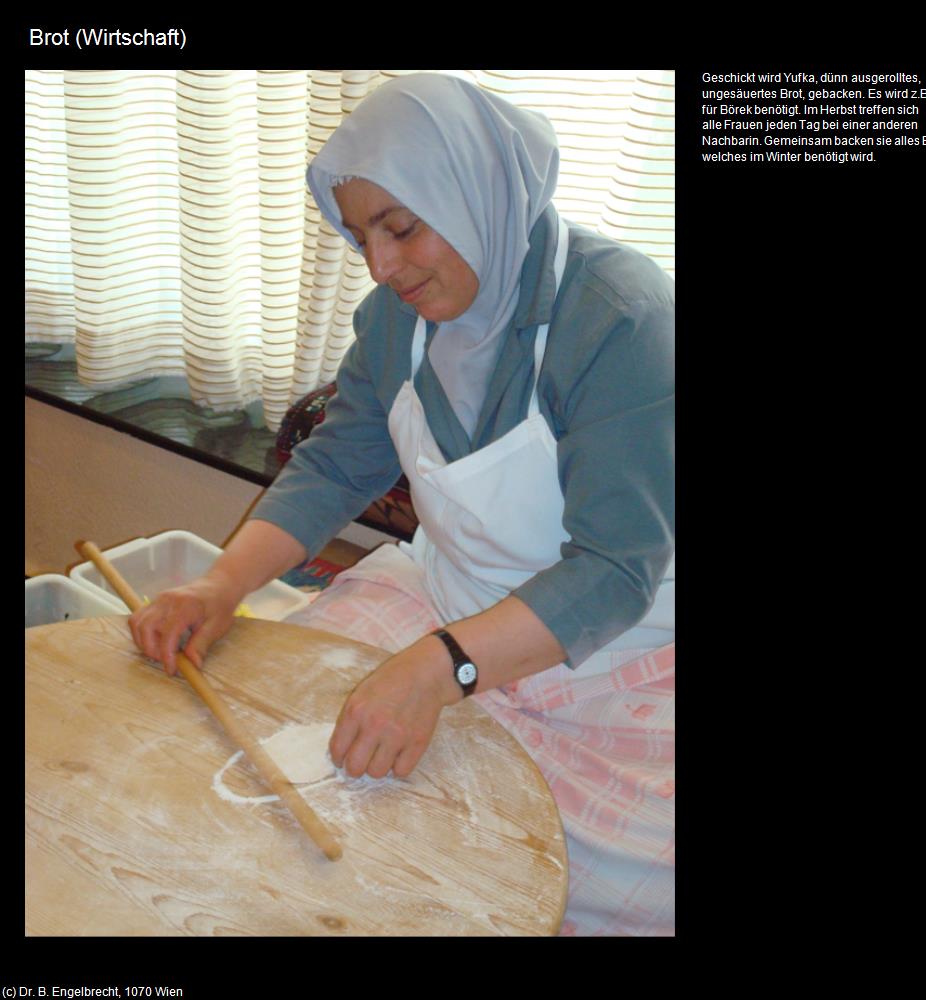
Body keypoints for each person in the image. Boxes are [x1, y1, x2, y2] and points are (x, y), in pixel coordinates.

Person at [128, 73, 675, 936]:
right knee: (273, 762)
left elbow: (616, 569)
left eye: (401, 227)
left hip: (616, 652)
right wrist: (221, 586)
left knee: (589, 878)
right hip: (447, 604)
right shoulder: (396, 321)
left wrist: (440, 669)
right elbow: (338, 465)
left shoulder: (621, 320)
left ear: (477, 190)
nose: (382, 267)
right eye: (361, 237)